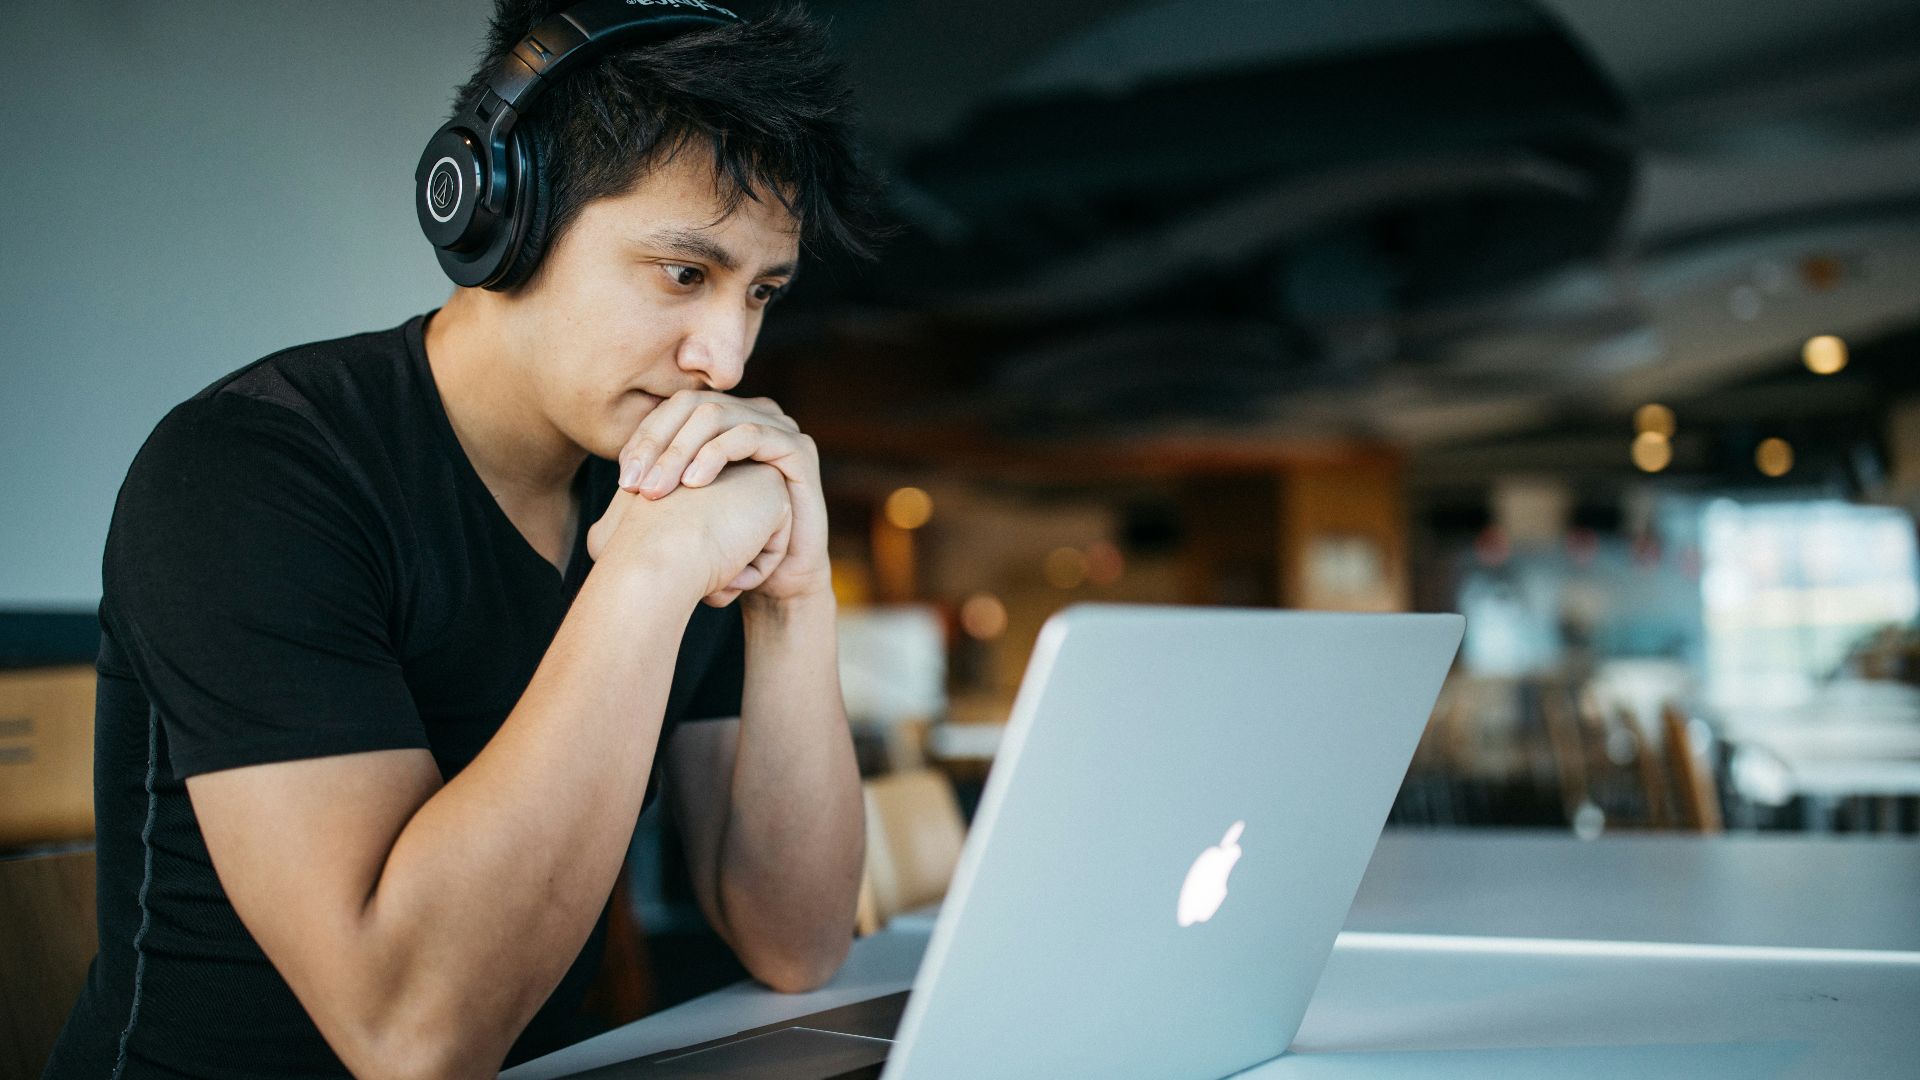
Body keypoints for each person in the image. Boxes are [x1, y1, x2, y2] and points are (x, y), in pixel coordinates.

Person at [46, 2, 890, 1077]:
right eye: (685, 273)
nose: (725, 357)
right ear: (504, 218)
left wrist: (793, 596)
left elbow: (798, 941)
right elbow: (412, 1034)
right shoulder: (249, 471)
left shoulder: (663, 482)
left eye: (761, 292)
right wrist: (651, 569)